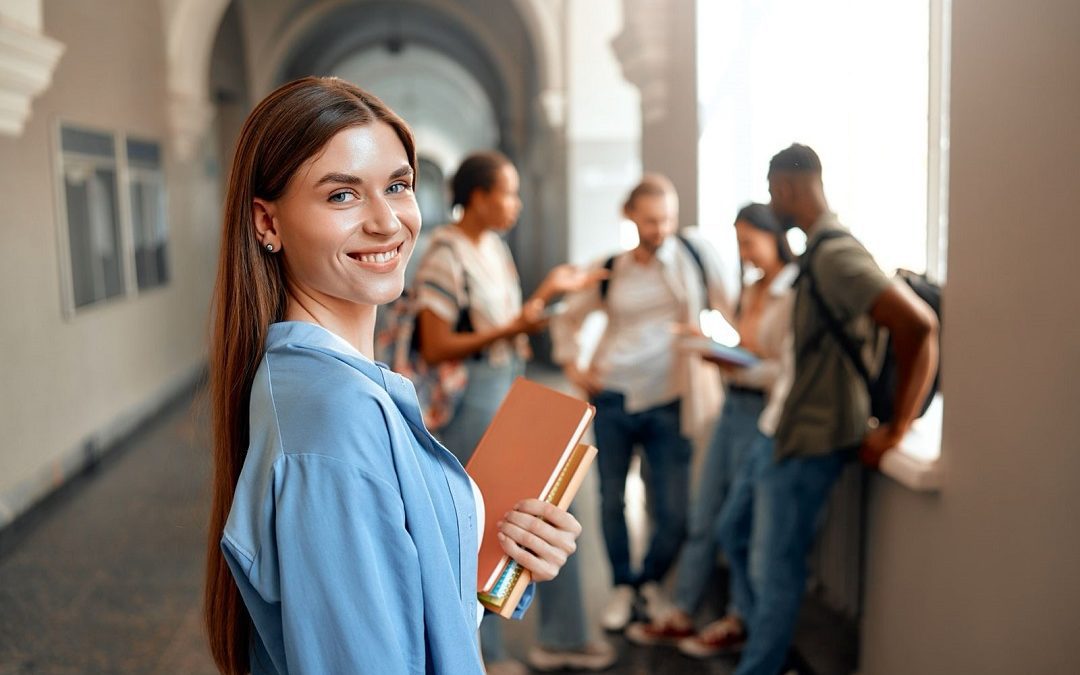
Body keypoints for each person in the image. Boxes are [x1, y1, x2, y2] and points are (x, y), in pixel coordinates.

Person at [202, 77, 583, 675]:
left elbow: (400, 607)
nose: (387, 222)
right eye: (341, 196)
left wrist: (499, 559)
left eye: (398, 186)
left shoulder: (338, 384)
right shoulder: (337, 418)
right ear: (267, 223)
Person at [723, 144, 939, 675]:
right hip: (782, 428)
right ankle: (769, 648)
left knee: (776, 567)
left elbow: (919, 327)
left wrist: (897, 429)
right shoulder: (815, 251)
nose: (771, 201)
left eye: (774, 191)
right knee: (734, 533)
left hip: (810, 440)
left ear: (792, 187)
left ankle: (762, 665)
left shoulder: (837, 254)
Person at [412, 151, 615, 674]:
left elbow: (510, 324)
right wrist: (513, 332)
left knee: (545, 506)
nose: (516, 205)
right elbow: (436, 346)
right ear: (477, 197)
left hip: (506, 383)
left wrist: (550, 293)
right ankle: (486, 653)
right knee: (484, 520)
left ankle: (562, 637)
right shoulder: (444, 253)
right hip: (471, 395)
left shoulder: (494, 248)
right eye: (508, 193)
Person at [550, 174, 728, 632]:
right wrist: (574, 367)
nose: (660, 229)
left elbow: (730, 309)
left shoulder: (691, 259)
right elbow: (566, 318)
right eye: (650, 220)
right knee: (612, 500)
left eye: (667, 219)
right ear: (631, 217)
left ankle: (650, 580)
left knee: (674, 511)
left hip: (669, 399)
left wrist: (710, 338)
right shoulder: (610, 268)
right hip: (613, 398)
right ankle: (622, 586)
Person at [624, 203, 798, 653]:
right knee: (702, 514)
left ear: (774, 237)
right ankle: (683, 611)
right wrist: (716, 348)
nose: (743, 254)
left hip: (761, 413)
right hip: (730, 408)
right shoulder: (751, 288)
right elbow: (747, 348)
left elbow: (783, 369)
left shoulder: (793, 293)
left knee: (740, 523)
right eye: (738, 244)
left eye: (749, 243)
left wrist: (735, 362)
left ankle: (739, 618)